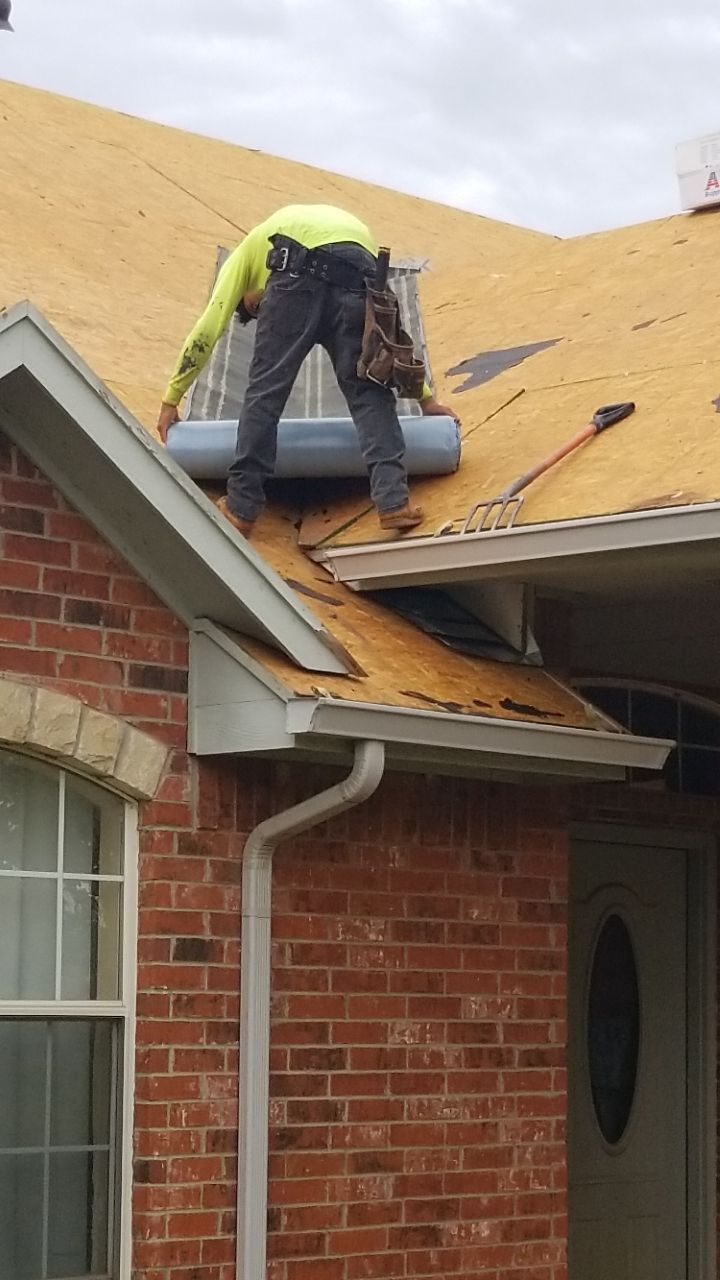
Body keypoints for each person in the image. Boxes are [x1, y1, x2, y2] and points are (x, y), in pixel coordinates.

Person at [158, 204, 458, 537]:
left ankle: (241, 507)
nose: (258, 311)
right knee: (371, 389)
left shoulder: (248, 252)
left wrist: (172, 398)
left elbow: (208, 328)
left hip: (296, 272)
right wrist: (425, 400)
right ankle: (393, 503)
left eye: (253, 309)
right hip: (360, 276)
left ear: (249, 295)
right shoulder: (317, 222)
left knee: (266, 392)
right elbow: (391, 347)